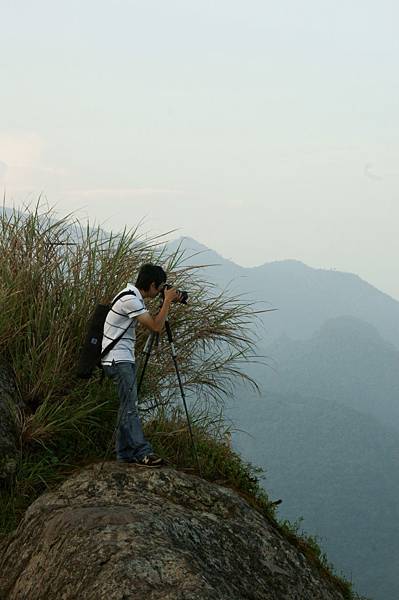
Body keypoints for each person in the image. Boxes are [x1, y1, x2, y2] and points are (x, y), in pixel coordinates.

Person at [101, 263, 180, 467]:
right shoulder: (130, 300)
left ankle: (124, 454)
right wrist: (167, 302)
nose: (161, 291)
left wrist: (168, 300)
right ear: (152, 285)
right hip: (118, 360)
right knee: (130, 408)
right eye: (160, 287)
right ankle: (143, 452)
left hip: (120, 359)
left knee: (126, 407)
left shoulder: (130, 296)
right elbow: (156, 327)